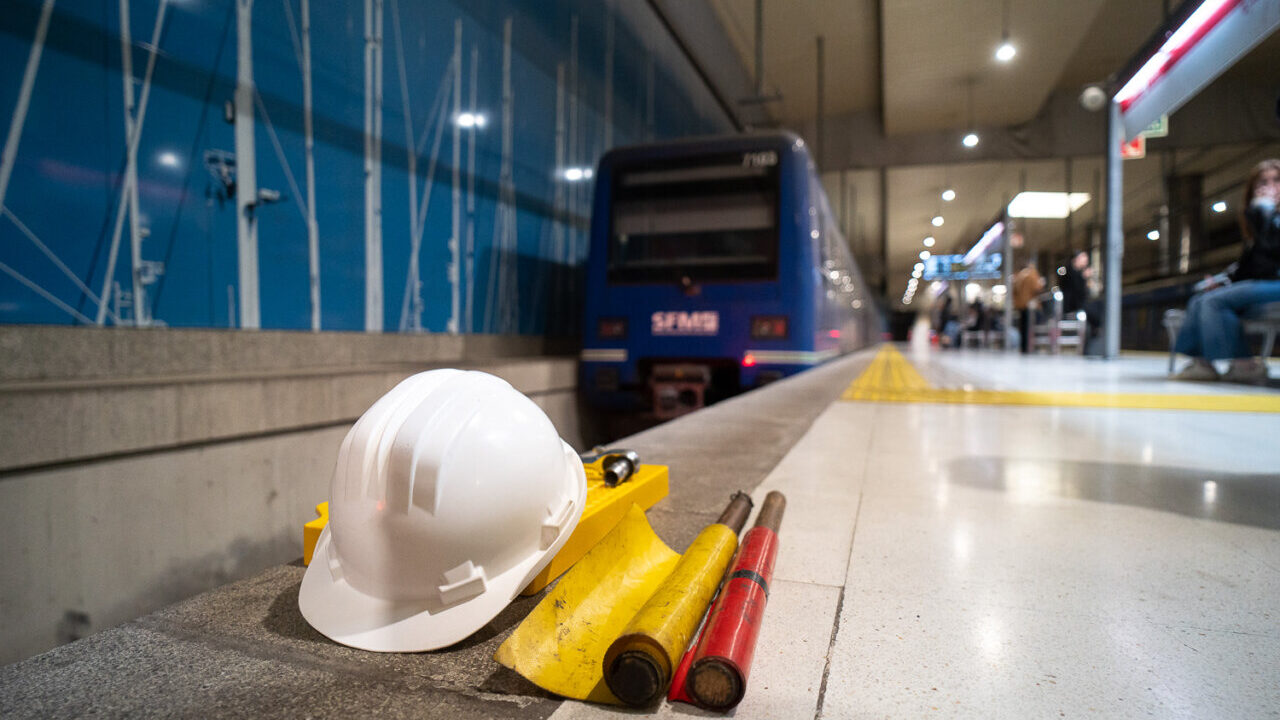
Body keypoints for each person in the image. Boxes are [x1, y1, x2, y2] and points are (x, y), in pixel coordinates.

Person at [1172, 158, 1280, 382]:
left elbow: (1272, 253)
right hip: (1265, 283)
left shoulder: (1267, 217)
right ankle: (1202, 363)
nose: (1270, 187)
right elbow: (1253, 265)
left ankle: (1245, 365)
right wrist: (1225, 282)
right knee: (1204, 298)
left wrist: (1264, 215)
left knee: (1213, 302)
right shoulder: (1260, 219)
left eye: (1276, 180)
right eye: (1263, 182)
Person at [1013, 260, 1045, 354]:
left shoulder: (1017, 276)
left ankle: (1024, 348)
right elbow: (1037, 288)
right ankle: (1031, 347)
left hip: (1021, 306)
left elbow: (1014, 292)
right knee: (1032, 328)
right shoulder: (1032, 274)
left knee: (1023, 328)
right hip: (1031, 306)